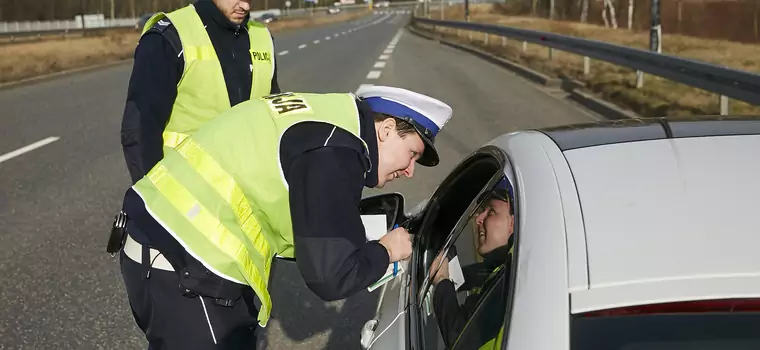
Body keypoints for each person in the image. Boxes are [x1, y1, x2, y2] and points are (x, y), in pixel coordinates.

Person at [114, 86, 453, 349]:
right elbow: (331, 277)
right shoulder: (337, 151)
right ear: (387, 129)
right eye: (412, 154)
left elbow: (301, 208)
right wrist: (388, 251)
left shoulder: (329, 118)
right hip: (183, 261)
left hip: (161, 240)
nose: (409, 171)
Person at [120, 0, 280, 184]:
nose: (245, 6)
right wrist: (149, 198)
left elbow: (273, 117)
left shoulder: (262, 37)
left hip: (250, 191)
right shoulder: (170, 36)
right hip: (185, 192)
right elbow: (140, 128)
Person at [428, 177, 515, 349]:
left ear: (513, 224)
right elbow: (480, 274)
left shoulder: (508, 284)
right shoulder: (506, 267)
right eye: (482, 210)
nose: (478, 219)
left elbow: (459, 340)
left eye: (491, 212)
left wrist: (442, 281)